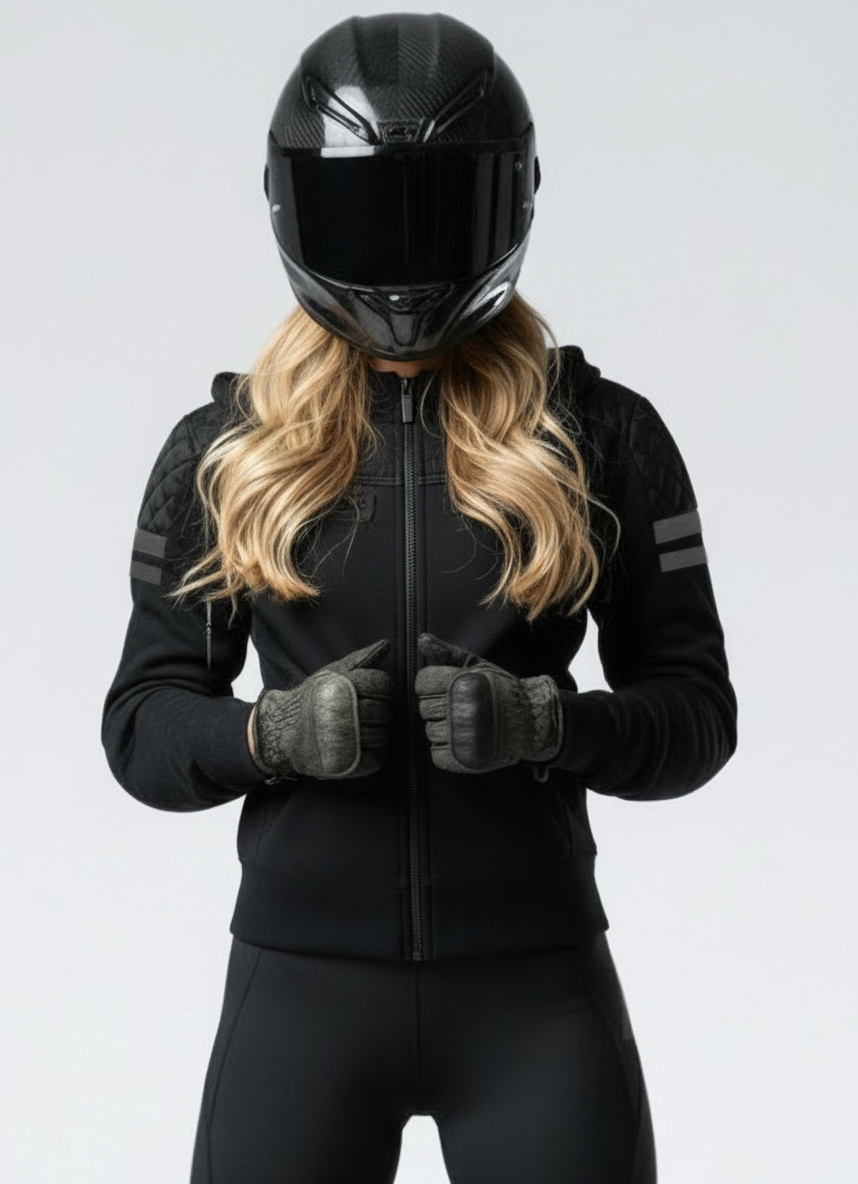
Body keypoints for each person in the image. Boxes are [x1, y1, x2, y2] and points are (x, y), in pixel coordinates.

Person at [101, 13, 737, 1184]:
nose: (400, 253)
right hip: (300, 999)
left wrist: (551, 724)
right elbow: (140, 727)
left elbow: (698, 713)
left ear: (508, 202)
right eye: (365, 211)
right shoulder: (225, 452)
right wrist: (269, 735)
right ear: (296, 208)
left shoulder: (603, 435)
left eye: (435, 209)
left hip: (535, 998)